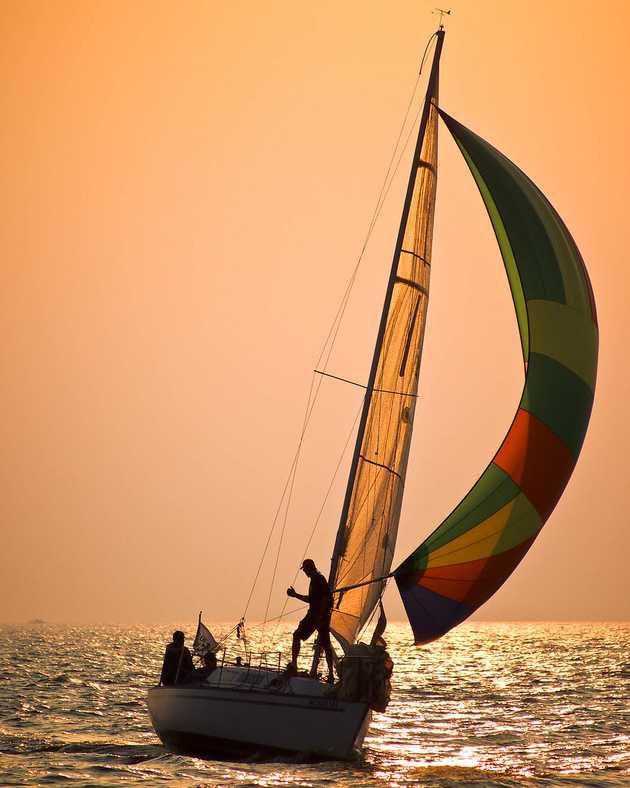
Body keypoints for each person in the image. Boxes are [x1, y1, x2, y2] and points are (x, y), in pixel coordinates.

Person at [286, 559, 334, 681]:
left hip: (318, 616)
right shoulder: (315, 579)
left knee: (324, 644)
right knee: (323, 644)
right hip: (315, 615)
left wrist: (321, 617)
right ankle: (295, 665)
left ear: (309, 568)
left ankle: (330, 674)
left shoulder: (319, 579)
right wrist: (295, 595)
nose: (304, 572)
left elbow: (326, 599)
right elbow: (312, 599)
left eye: (305, 569)